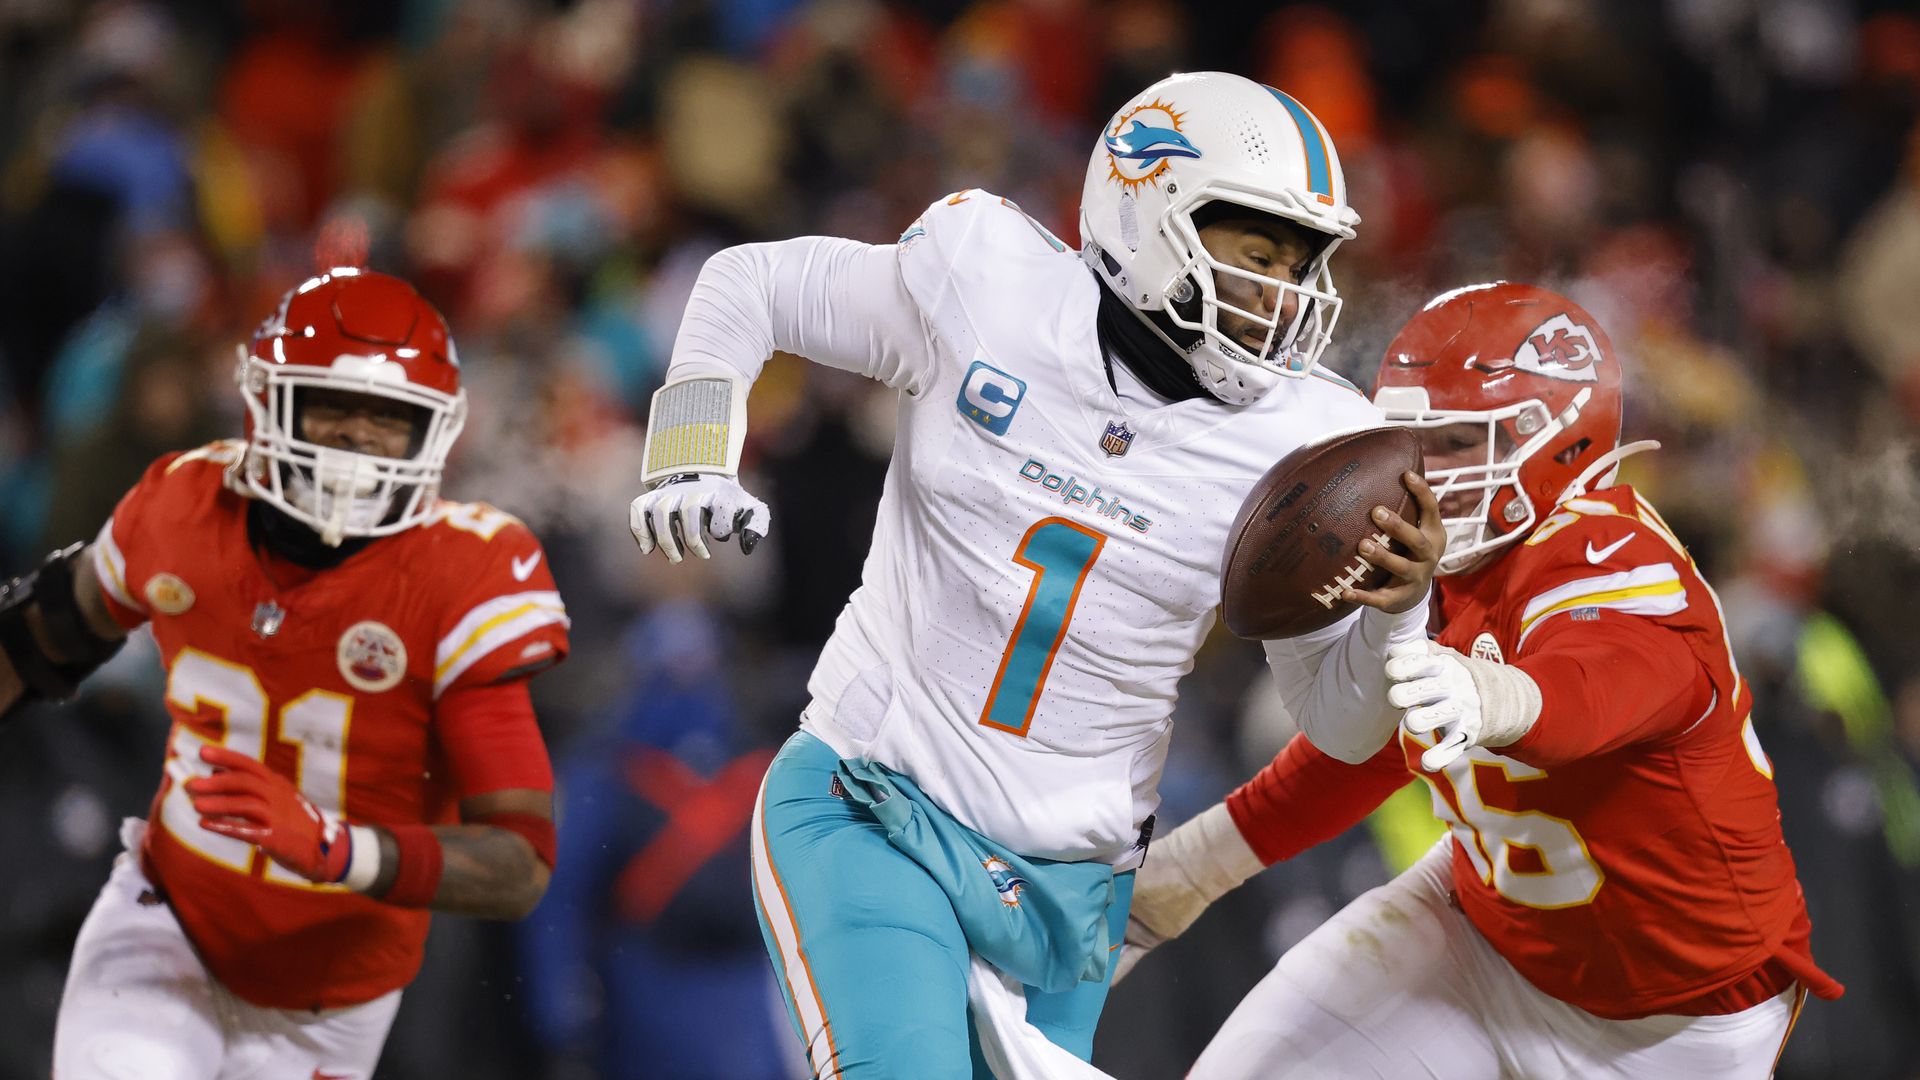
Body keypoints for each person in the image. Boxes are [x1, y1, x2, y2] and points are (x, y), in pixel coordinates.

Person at [625, 70, 1446, 1078]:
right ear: (1150, 213)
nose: (1288, 291)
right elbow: (750, 283)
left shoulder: (1315, 445)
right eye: (1259, 251)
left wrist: (1396, 622)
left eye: (1302, 260)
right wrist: (692, 445)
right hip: (880, 809)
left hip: (1071, 896)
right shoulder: (987, 283)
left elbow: (1338, 722)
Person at [1119, 282, 1845, 1078]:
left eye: (1460, 441)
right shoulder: (1445, 564)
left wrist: (1495, 697)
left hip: (1676, 1023)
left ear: (1561, 444)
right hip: (1480, 932)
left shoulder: (1614, 556)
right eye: (1411, 440)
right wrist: (1191, 872)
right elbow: (1370, 742)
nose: (1424, 472)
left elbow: (1600, 693)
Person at [0, 267, 571, 1079]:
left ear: (432, 432)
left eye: (389, 417)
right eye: (333, 405)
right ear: (271, 402)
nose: (358, 438)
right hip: (170, 928)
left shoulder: (464, 575)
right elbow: (42, 634)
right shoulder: (185, 506)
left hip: (335, 1001)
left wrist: (338, 849)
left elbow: (519, 863)